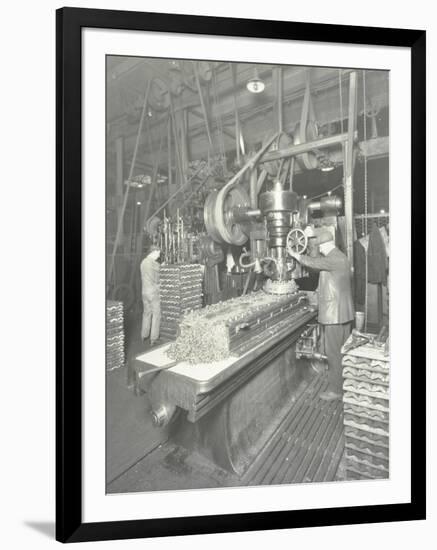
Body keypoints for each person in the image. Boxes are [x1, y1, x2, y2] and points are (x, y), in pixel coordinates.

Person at [289, 229, 354, 400]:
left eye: (319, 246)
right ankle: (342, 384)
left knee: (333, 353)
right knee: (341, 352)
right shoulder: (341, 257)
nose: (319, 249)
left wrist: (295, 255)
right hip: (344, 313)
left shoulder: (333, 259)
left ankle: (336, 391)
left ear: (325, 245)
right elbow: (324, 270)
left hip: (335, 315)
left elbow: (316, 263)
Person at [140, 245, 161, 346]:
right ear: (153, 252)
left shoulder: (143, 262)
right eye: (158, 253)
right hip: (153, 292)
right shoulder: (154, 264)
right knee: (156, 314)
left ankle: (144, 335)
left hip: (144, 291)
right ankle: (153, 338)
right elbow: (157, 279)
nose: (159, 255)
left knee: (146, 313)